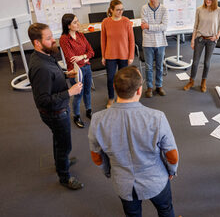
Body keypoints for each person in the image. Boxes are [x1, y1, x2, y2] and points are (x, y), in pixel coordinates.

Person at [88, 66, 179, 217]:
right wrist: (171, 170)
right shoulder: (157, 117)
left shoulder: (97, 120)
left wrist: (109, 172)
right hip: (156, 180)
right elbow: (172, 154)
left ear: (114, 88)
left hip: (123, 185)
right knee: (165, 210)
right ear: (139, 90)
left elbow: (96, 157)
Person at [28, 23, 84, 190]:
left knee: (59, 140)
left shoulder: (45, 55)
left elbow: (52, 77)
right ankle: (64, 177)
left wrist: (66, 74)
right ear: (37, 43)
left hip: (57, 110)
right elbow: (43, 100)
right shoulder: (41, 67)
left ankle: (61, 161)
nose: (54, 40)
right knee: (64, 144)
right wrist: (70, 92)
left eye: (52, 36)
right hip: (56, 112)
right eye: (49, 38)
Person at [183, 0, 220, 93]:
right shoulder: (199, 9)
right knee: (195, 62)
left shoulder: (218, 10)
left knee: (206, 62)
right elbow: (195, 26)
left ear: (214, 0)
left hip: (211, 40)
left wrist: (217, 36)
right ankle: (191, 81)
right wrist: (192, 40)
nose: (207, 1)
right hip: (200, 39)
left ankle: (203, 82)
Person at [60, 13, 95, 128]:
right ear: (68, 26)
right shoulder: (64, 39)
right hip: (75, 71)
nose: (78, 23)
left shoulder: (80, 35)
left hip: (87, 67)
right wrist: (85, 57)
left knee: (87, 91)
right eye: (75, 22)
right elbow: (71, 59)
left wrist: (82, 57)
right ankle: (76, 115)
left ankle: (89, 110)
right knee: (78, 94)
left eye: (77, 21)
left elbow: (91, 51)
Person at [101, 0, 135, 108]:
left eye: (122, 9)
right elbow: (103, 41)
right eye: (118, 10)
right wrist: (103, 56)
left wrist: (131, 56)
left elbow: (131, 40)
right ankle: (111, 98)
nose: (120, 12)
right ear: (111, 10)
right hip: (110, 55)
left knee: (123, 79)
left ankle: (123, 98)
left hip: (124, 55)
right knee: (111, 78)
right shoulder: (105, 22)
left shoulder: (126, 21)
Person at [141, 0, 168, 98]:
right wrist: (156, 27)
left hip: (161, 42)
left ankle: (159, 86)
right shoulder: (144, 8)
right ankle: (149, 88)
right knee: (148, 67)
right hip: (147, 42)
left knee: (159, 66)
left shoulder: (164, 9)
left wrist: (149, 26)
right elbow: (144, 27)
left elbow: (164, 26)